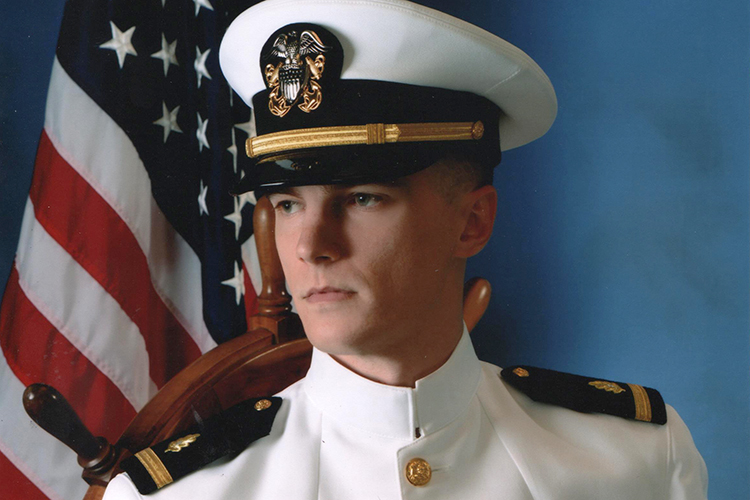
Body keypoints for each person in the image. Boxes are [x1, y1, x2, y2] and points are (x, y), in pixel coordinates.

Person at [103, 0, 708, 498]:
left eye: (362, 198)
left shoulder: (639, 461)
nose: (311, 246)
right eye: (288, 204)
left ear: (472, 221)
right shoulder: (185, 493)